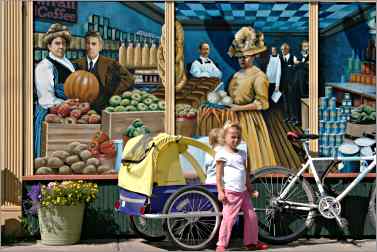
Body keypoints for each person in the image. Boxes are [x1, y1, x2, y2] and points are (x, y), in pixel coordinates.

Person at [227, 27, 277, 171]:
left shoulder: (259, 76)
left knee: (251, 158)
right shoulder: (236, 74)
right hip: (233, 118)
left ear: (254, 56)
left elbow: (263, 103)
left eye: (246, 56)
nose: (242, 59)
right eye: (240, 56)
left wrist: (239, 108)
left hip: (250, 122)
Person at [215, 122, 268, 252]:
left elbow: (245, 174)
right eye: (232, 137)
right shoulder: (222, 154)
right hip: (231, 193)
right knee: (228, 219)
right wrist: (220, 191)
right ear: (225, 137)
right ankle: (221, 244)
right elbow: (218, 176)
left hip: (243, 192)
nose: (236, 140)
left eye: (238, 137)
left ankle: (251, 242)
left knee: (251, 216)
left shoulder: (242, 153)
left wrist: (250, 190)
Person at [34, 23, 76, 157]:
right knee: (50, 156)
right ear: (49, 46)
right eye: (57, 43)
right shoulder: (44, 66)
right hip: (50, 113)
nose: (61, 47)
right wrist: (63, 103)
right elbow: (46, 99)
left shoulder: (68, 63)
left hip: (67, 112)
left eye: (63, 43)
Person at [74, 31, 134, 113]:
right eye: (88, 43)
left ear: (100, 47)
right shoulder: (77, 64)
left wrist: (116, 94)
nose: (90, 47)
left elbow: (129, 78)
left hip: (105, 109)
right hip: (83, 110)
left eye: (94, 44)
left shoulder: (110, 63)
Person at [279, 43, 297, 124]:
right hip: (283, 83)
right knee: (285, 101)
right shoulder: (279, 58)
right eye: (282, 49)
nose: (282, 51)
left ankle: (293, 118)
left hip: (291, 84)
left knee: (292, 101)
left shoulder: (293, 58)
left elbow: (297, 72)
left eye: (284, 49)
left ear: (288, 49)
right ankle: (287, 117)